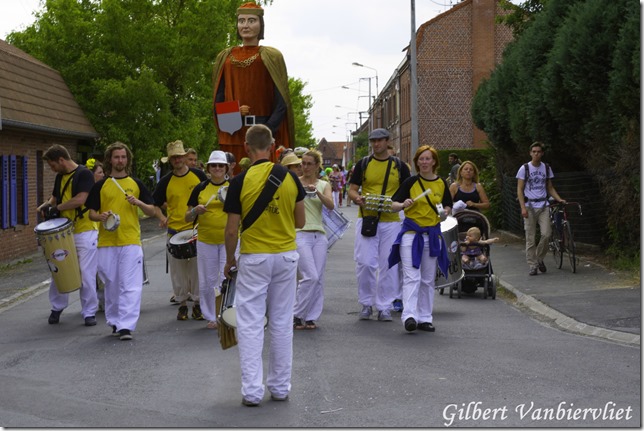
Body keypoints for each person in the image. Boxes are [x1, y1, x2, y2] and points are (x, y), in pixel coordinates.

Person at [223, 124, 305, 407]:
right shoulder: (291, 179)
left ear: (246, 148)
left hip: (254, 256)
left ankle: (252, 391)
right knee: (282, 323)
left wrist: (230, 260)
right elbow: (300, 222)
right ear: (272, 147)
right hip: (285, 256)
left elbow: (232, 230)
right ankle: (280, 388)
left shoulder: (239, 181)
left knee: (250, 323)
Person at [86, 142, 157, 340]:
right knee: (111, 283)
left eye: (123, 157)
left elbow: (152, 211)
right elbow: (91, 213)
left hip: (131, 240)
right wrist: (100, 217)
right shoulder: (100, 186)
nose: (120, 160)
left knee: (130, 284)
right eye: (116, 157)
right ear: (110, 159)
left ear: (128, 159)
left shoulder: (136, 184)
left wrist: (139, 202)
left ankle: (127, 325)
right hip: (107, 242)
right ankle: (115, 321)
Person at [212, 2, 294, 174]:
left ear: (260, 24)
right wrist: (233, 111)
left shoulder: (272, 56)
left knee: (264, 181)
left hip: (264, 132)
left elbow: (281, 101)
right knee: (235, 181)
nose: (246, 25)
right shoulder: (225, 57)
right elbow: (217, 100)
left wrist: (267, 130)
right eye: (241, 21)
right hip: (234, 131)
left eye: (251, 20)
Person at [347, 128, 411, 322]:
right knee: (365, 262)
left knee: (388, 265)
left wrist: (400, 203)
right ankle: (366, 303)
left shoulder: (399, 166)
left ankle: (384, 305)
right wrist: (357, 198)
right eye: (373, 141)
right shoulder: (363, 164)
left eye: (380, 141)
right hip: (367, 218)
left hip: (391, 221)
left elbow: (407, 190)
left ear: (387, 142)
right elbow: (352, 189)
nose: (376, 144)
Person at [388, 145, 452, 333]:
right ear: (417, 162)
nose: (424, 162)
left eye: (427, 159)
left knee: (427, 279)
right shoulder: (410, 182)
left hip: (432, 235)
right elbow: (393, 205)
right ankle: (409, 315)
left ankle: (425, 317)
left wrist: (445, 212)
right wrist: (402, 204)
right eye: (421, 159)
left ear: (434, 162)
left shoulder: (441, 183)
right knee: (411, 276)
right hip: (411, 234)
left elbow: (448, 205)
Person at [36, 145, 99, 326]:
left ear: (61, 160)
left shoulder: (84, 174)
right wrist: (45, 206)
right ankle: (56, 308)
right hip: (64, 232)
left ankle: (89, 312)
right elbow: (56, 197)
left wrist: (56, 209)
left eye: (52, 165)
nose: (52, 169)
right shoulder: (60, 176)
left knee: (86, 274)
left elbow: (81, 199)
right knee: (59, 268)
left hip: (85, 229)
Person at [154, 140, 209, 320]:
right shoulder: (165, 181)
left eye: (180, 156)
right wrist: (162, 218)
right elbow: (154, 205)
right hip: (175, 232)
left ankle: (198, 304)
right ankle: (183, 305)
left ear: (185, 157)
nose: (177, 160)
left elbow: (208, 195)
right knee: (178, 272)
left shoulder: (199, 176)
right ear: (170, 160)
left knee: (196, 270)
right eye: (174, 157)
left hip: (196, 229)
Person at [186, 151, 230, 330]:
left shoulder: (234, 187)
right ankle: (211, 316)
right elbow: (187, 217)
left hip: (230, 240)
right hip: (206, 239)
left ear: (226, 167)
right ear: (209, 168)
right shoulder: (200, 188)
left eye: (221, 165)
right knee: (207, 281)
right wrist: (195, 210)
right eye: (214, 165)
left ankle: (226, 314)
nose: (217, 168)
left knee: (227, 279)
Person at [293, 149, 334, 330]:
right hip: (300, 232)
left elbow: (331, 205)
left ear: (318, 166)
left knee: (319, 278)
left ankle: (311, 316)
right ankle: (296, 314)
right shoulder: (295, 182)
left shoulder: (323, 184)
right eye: (303, 163)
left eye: (310, 164)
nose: (306, 167)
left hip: (319, 234)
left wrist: (316, 193)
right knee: (310, 276)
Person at [516, 141, 565, 276]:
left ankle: (539, 258)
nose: (536, 154)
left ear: (542, 153)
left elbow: (549, 187)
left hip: (543, 205)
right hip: (529, 205)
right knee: (530, 238)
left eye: (539, 152)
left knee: (547, 234)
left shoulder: (546, 168)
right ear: (530, 153)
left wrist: (558, 198)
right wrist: (522, 208)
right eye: (534, 152)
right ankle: (532, 265)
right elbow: (519, 189)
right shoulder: (524, 168)